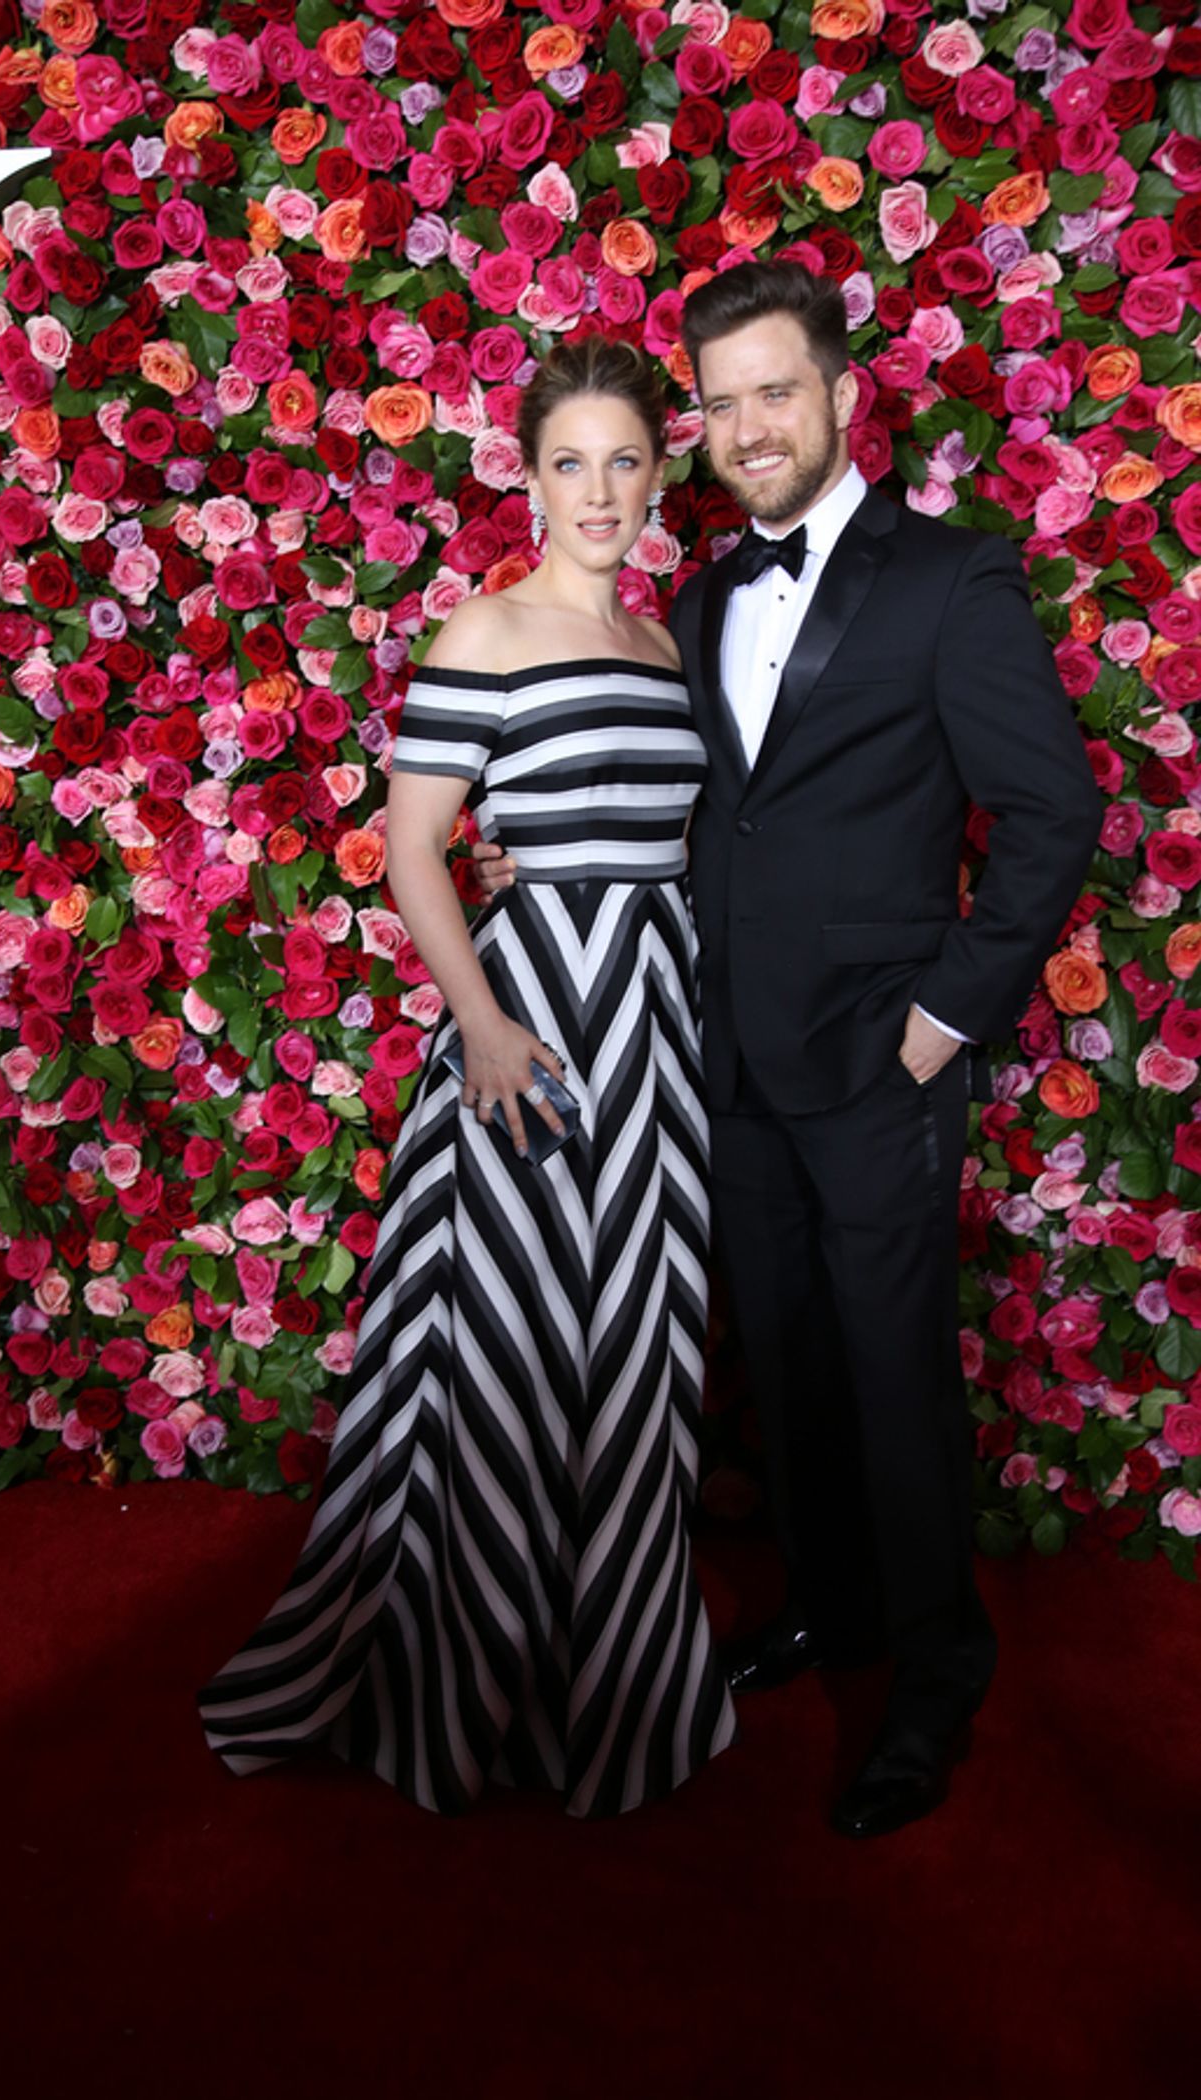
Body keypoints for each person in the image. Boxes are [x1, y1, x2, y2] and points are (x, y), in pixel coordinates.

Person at [476, 261, 1101, 1837]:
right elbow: (693, 813)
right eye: (722, 399)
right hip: (725, 1064)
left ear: (840, 395)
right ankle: (829, 1610)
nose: (748, 426)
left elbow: (1052, 817)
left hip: (881, 1066)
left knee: (896, 1378)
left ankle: (934, 1676)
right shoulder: (691, 600)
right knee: (791, 1368)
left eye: (776, 391)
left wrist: (946, 1017)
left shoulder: (950, 581)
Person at [199, 337, 736, 1818]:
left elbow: (673, 835)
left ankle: (615, 1675)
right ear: (530, 473)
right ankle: (459, 1674)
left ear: (657, 470)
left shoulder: (667, 646)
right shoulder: (482, 635)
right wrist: (485, 1025)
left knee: (635, 1346)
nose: (602, 490)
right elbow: (418, 848)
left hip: (658, 1028)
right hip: (532, 1023)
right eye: (572, 461)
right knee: (502, 1347)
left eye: (626, 459)